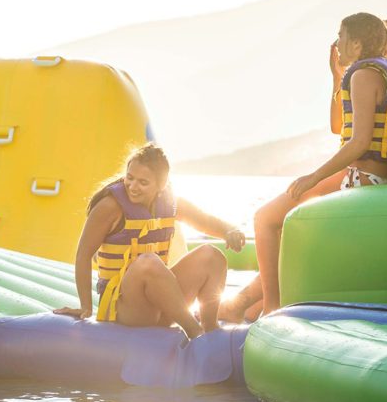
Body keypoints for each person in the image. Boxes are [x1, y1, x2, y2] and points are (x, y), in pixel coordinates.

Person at [220, 13, 387, 322]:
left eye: (340, 36)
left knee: (266, 219)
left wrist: (313, 176)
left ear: (356, 43)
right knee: (285, 234)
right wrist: (336, 75)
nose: (336, 43)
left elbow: (359, 141)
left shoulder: (364, 74)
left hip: (361, 181)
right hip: (382, 182)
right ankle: (250, 309)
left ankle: (270, 311)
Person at [54, 144, 246, 340]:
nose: (133, 186)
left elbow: (204, 220)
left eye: (143, 182)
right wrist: (86, 306)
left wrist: (230, 230)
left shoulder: (171, 203)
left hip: (161, 306)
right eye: (130, 178)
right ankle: (194, 332)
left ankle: (211, 329)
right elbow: (83, 254)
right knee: (148, 263)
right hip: (125, 309)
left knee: (212, 256)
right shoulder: (110, 207)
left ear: (161, 185)